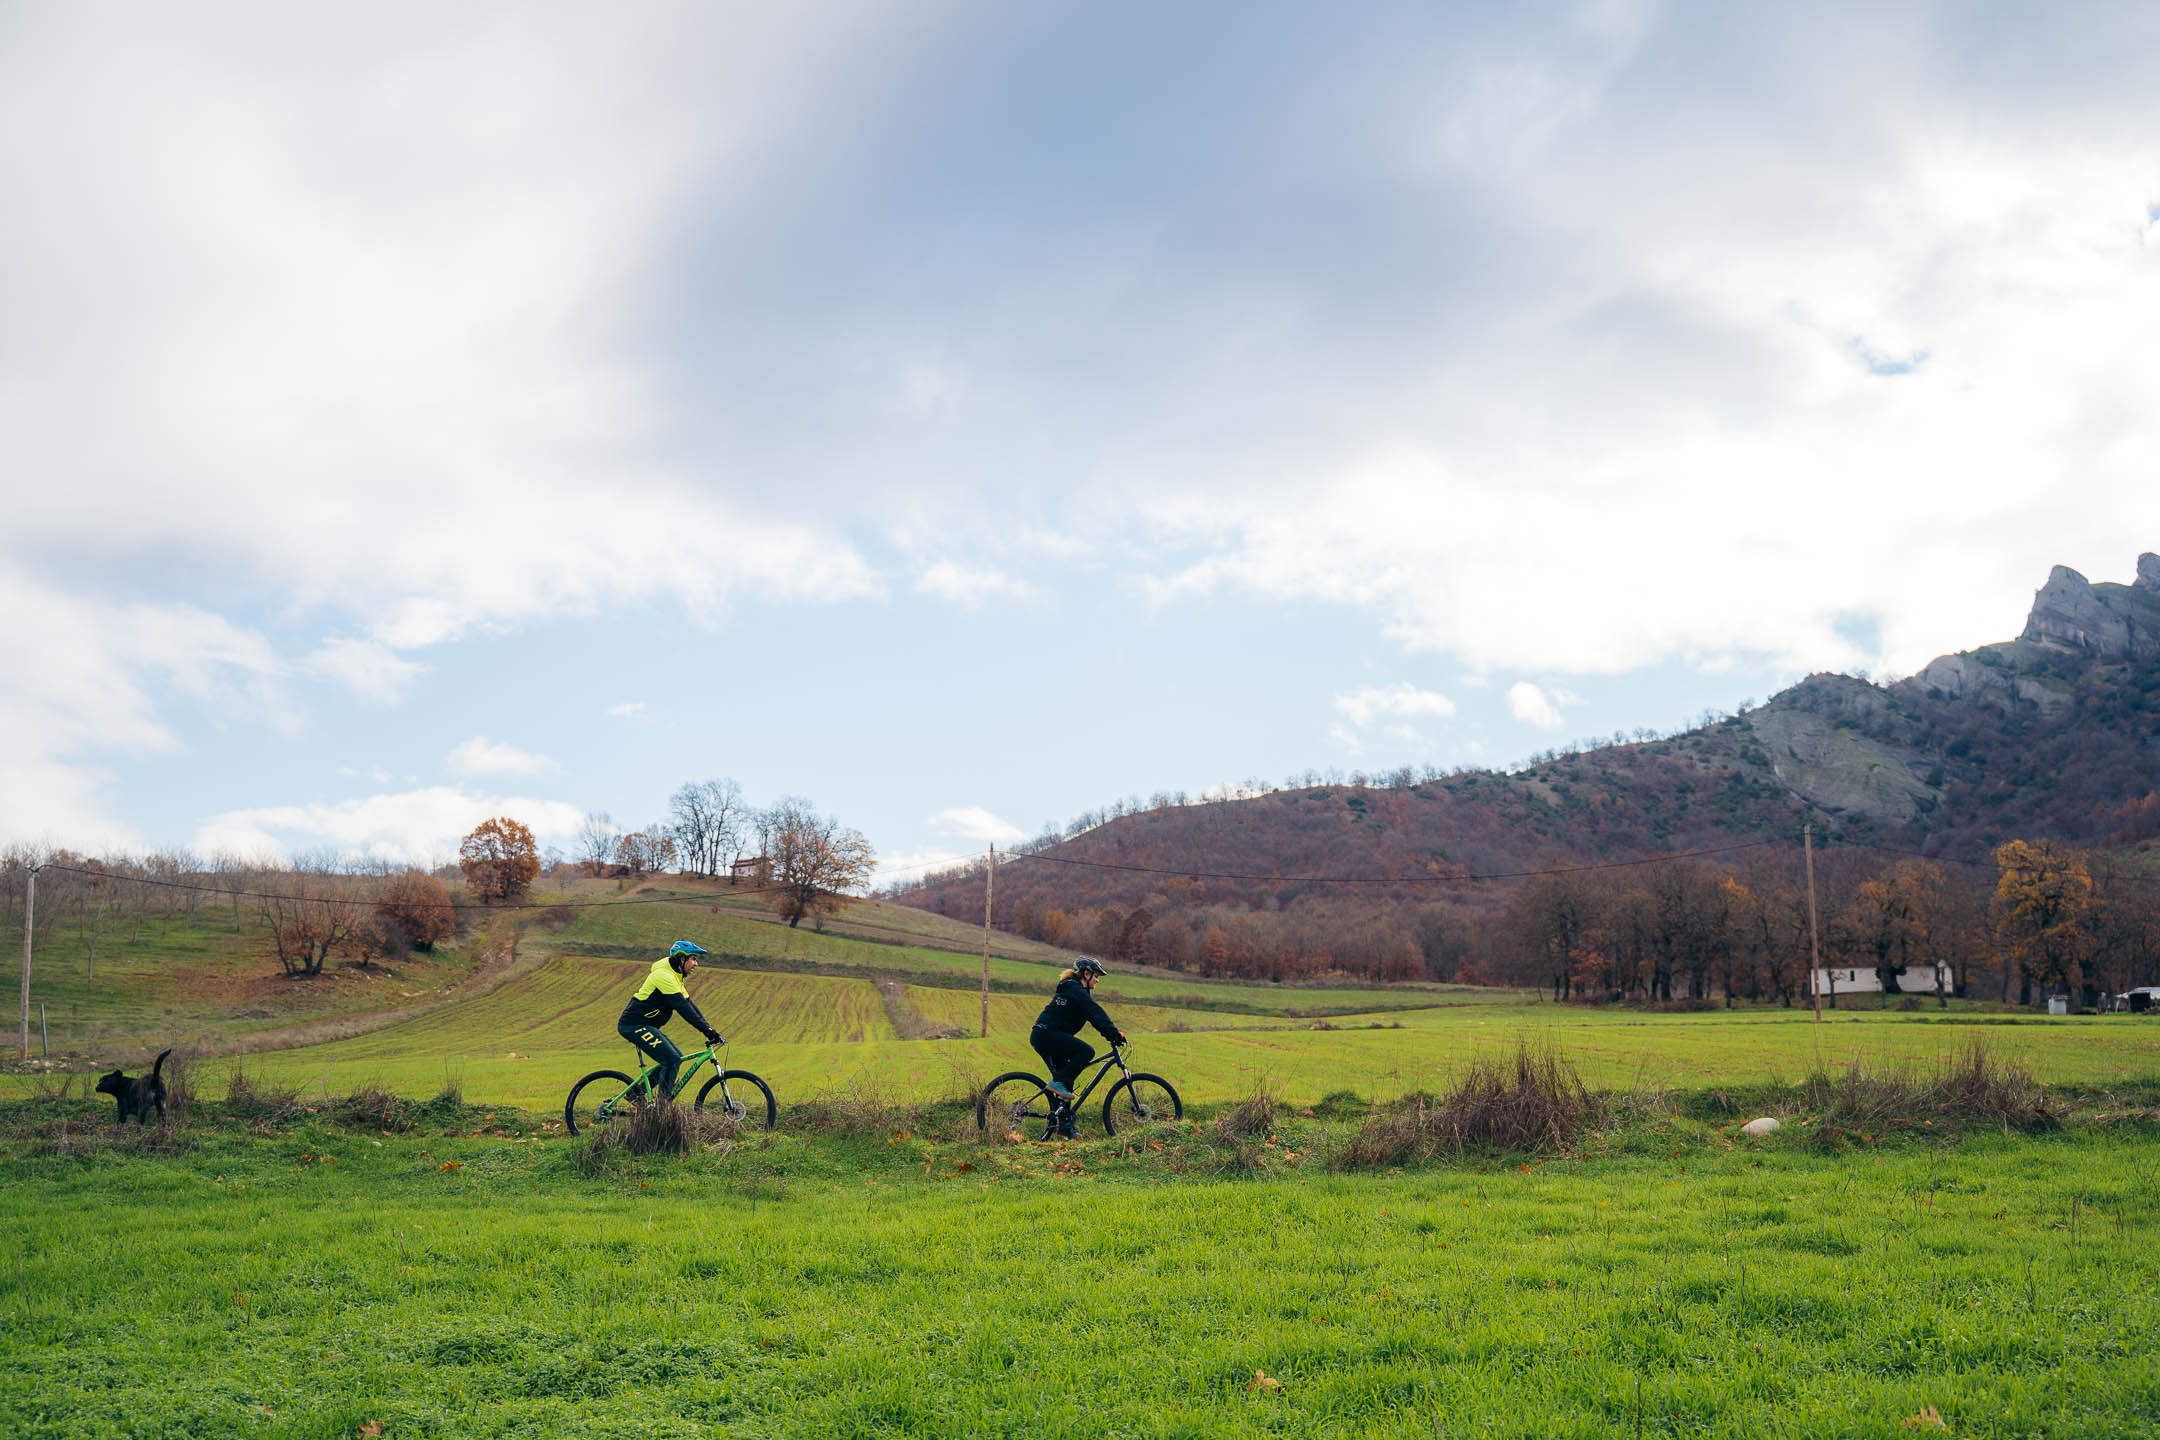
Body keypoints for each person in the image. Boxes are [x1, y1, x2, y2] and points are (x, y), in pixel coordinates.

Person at [1030, 956, 1127, 1137]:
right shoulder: (1074, 989)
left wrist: (1109, 1034)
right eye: (1096, 976)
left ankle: (1064, 1127)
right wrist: (1114, 1034)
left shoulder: (1076, 991)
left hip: (1046, 1035)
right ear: (1086, 974)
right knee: (1086, 1052)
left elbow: (1093, 1017)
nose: (1097, 980)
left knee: (1066, 1081)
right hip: (1046, 1035)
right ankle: (1057, 1083)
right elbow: (1095, 1012)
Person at [617, 940, 723, 1101]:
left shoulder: (675, 977)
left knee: (675, 1057)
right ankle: (662, 1109)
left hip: (646, 1025)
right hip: (633, 1024)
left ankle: (635, 1095)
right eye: (693, 959)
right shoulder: (663, 976)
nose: (696, 964)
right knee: (671, 1060)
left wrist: (709, 1029)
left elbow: (690, 1006)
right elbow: (683, 1008)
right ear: (681, 959)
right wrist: (707, 1031)